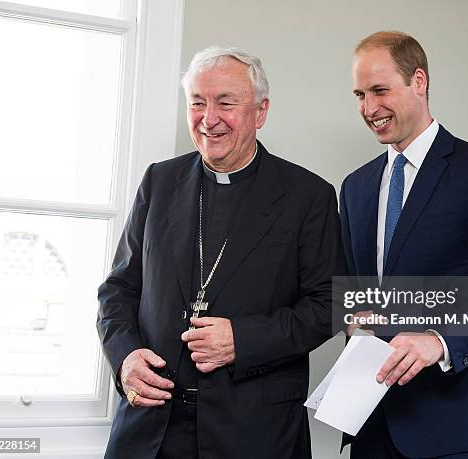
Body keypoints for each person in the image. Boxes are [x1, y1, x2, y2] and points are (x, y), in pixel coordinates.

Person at [97, 46, 343, 459]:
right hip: (151, 430)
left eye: (226, 103)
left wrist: (242, 340)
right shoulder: (159, 181)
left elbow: (330, 305)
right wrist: (124, 360)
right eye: (197, 103)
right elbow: (118, 290)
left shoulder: (308, 196)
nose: (209, 119)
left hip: (253, 433)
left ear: (260, 113)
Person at [339, 31, 468, 458]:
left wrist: (440, 339)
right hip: (371, 423)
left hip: (451, 429)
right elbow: (359, 293)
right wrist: (353, 317)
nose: (369, 108)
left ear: (419, 81)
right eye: (359, 94)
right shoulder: (355, 188)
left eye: (379, 90)